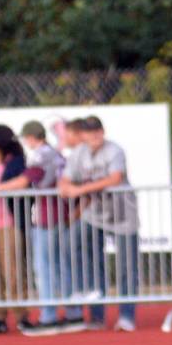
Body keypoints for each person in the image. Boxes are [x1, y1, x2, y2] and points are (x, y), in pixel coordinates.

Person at [0, 121, 84, 336]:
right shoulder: (47, 154)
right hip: (46, 217)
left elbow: (26, 180)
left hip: (32, 220)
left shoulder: (37, 157)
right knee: (51, 267)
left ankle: (46, 316)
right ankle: (70, 314)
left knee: (39, 269)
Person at [57, 116, 140, 331]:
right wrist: (66, 187)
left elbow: (115, 178)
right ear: (83, 135)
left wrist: (80, 189)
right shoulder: (79, 153)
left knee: (126, 267)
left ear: (103, 132)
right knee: (73, 246)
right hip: (94, 215)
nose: (95, 135)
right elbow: (65, 180)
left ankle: (127, 317)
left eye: (98, 130)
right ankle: (95, 313)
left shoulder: (114, 151)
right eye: (90, 131)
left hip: (122, 215)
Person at [0, 125, 34, 334]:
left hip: (8, 224)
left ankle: (21, 316)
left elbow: (23, 183)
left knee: (13, 271)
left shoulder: (13, 163)